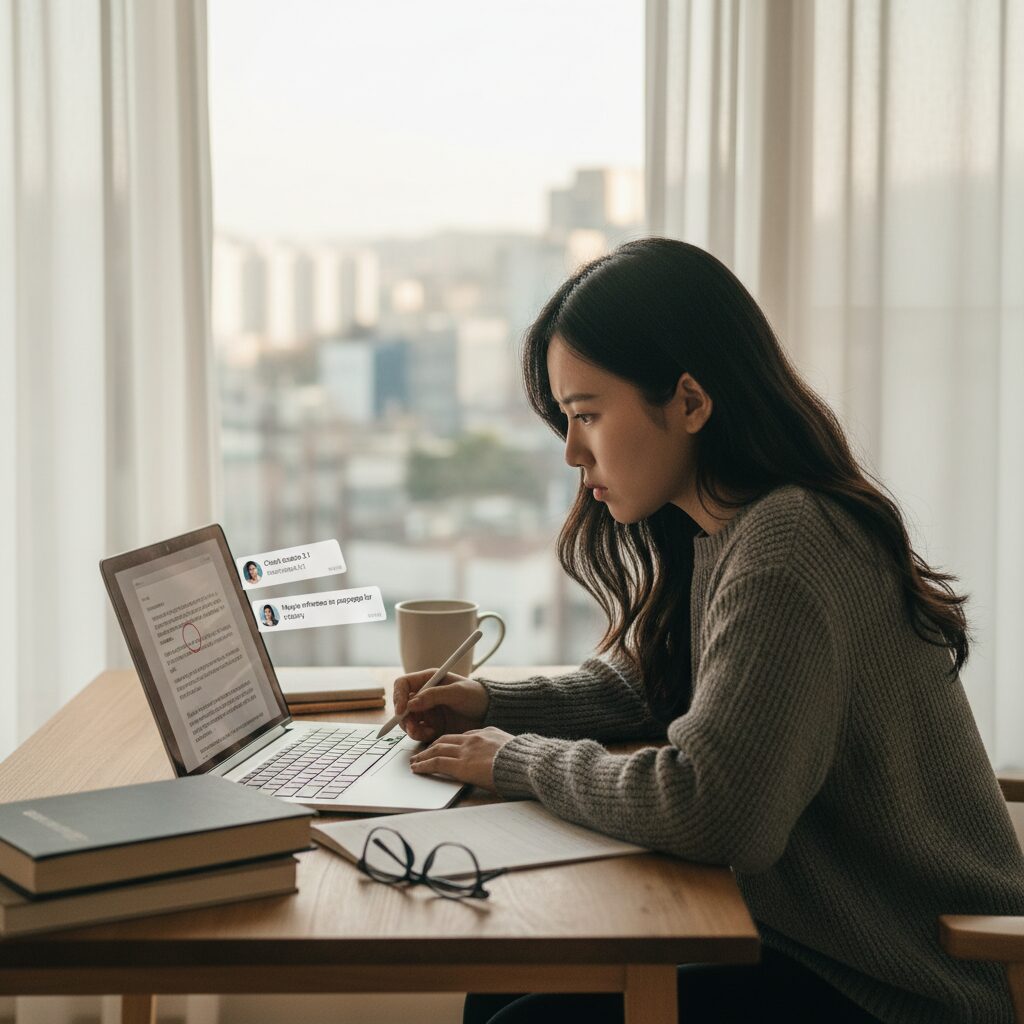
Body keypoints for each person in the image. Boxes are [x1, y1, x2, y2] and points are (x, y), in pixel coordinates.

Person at [393, 239, 1024, 1024]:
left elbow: (713, 809)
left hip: (903, 987)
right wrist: (490, 702)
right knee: (506, 985)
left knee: (525, 1016)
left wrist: (514, 760)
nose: (570, 451)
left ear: (690, 402)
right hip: (812, 946)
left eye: (587, 413)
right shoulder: (732, 528)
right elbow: (648, 681)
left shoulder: (787, 550)